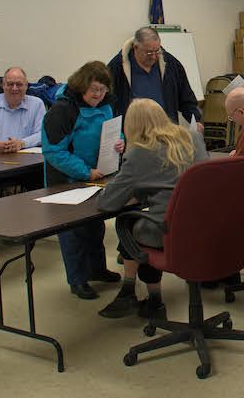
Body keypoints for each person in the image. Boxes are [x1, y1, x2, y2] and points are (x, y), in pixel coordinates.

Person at [96, 98, 207, 320]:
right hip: (204, 226)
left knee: (130, 224)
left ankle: (147, 297)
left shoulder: (139, 153)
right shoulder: (193, 137)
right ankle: (143, 297)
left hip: (170, 231)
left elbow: (107, 203)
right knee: (148, 220)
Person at [42, 61, 122, 299]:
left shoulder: (106, 104)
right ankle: (77, 280)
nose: (98, 95)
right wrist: (85, 172)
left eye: (102, 89)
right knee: (72, 232)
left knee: (95, 226)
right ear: (81, 86)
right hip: (67, 180)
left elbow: (113, 130)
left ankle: (97, 269)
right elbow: (54, 151)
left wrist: (120, 140)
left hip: (97, 176)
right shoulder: (62, 111)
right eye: (94, 89)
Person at [107, 27, 202, 129]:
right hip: (133, 133)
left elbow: (186, 96)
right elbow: (108, 103)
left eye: (157, 51)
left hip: (166, 131)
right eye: (149, 53)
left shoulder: (171, 64)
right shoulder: (117, 67)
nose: (153, 57)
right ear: (136, 48)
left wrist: (195, 120)